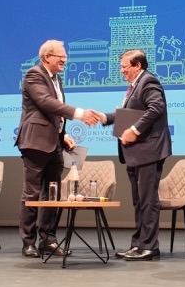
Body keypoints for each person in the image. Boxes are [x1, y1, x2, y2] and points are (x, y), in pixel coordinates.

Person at [16, 40, 102, 257]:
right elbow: (46, 103)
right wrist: (79, 114)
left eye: (65, 56)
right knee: (32, 193)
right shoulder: (34, 75)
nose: (65, 59)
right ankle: (28, 242)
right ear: (47, 57)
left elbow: (54, 115)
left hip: (54, 143)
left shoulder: (57, 79)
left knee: (53, 193)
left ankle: (48, 240)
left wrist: (64, 135)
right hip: (35, 143)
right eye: (61, 56)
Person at [99, 49, 171, 261]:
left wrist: (134, 130)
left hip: (148, 151)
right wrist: (105, 117)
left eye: (124, 67)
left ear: (137, 65)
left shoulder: (148, 81)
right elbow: (128, 115)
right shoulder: (135, 86)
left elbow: (156, 107)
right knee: (139, 201)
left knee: (148, 200)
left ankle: (149, 247)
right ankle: (138, 245)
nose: (121, 71)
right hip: (135, 153)